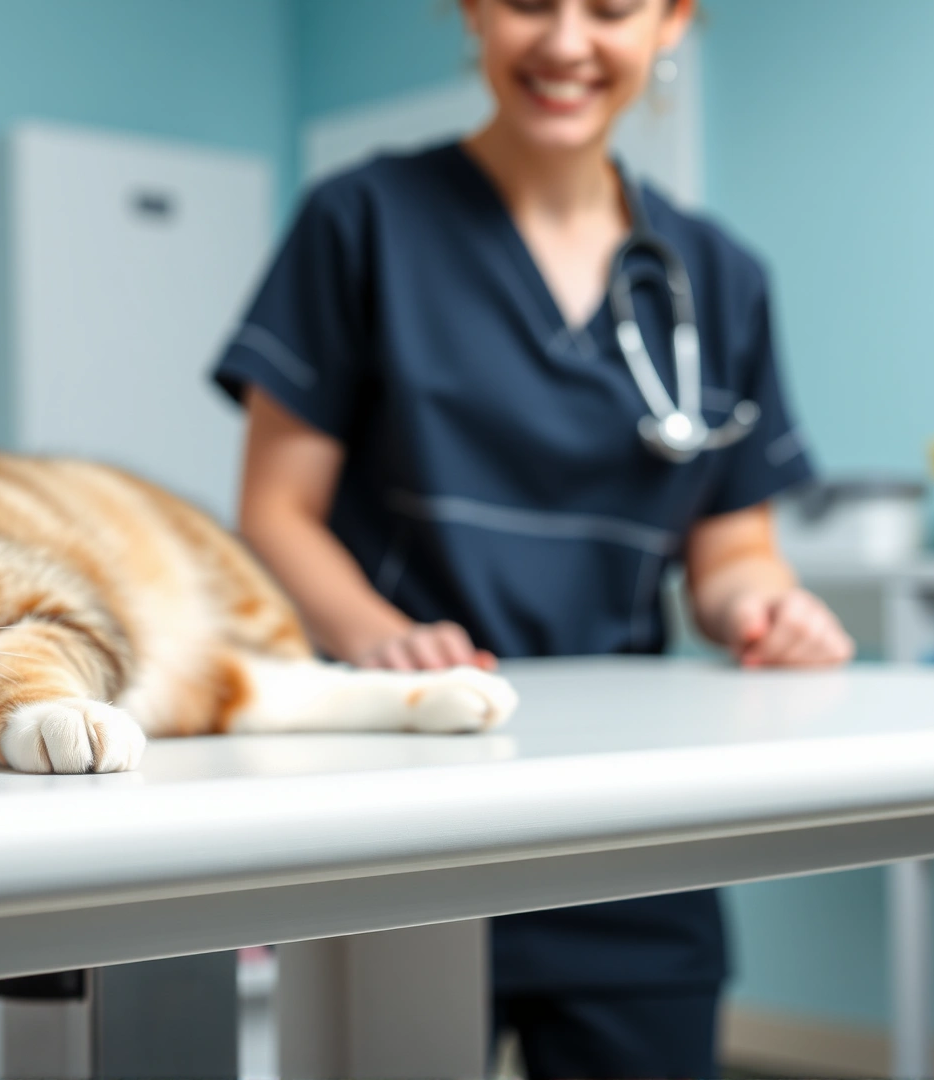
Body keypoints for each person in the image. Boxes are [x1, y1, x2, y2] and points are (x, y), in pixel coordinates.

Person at [212, 0, 854, 1075]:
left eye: (609, 9)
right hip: (401, 785)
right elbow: (276, 511)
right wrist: (384, 641)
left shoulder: (720, 276)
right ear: (470, 13)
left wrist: (766, 609)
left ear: (672, 22)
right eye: (526, 4)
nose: (564, 43)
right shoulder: (360, 220)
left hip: (630, 816)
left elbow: (730, 552)